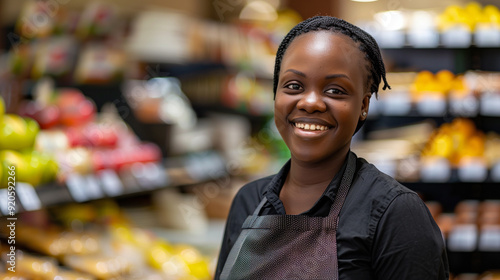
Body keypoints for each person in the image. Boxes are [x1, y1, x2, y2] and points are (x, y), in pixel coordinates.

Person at [215, 16, 449, 280]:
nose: (311, 102)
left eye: (335, 90)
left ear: (363, 106)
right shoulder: (248, 201)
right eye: (293, 86)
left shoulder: (397, 214)